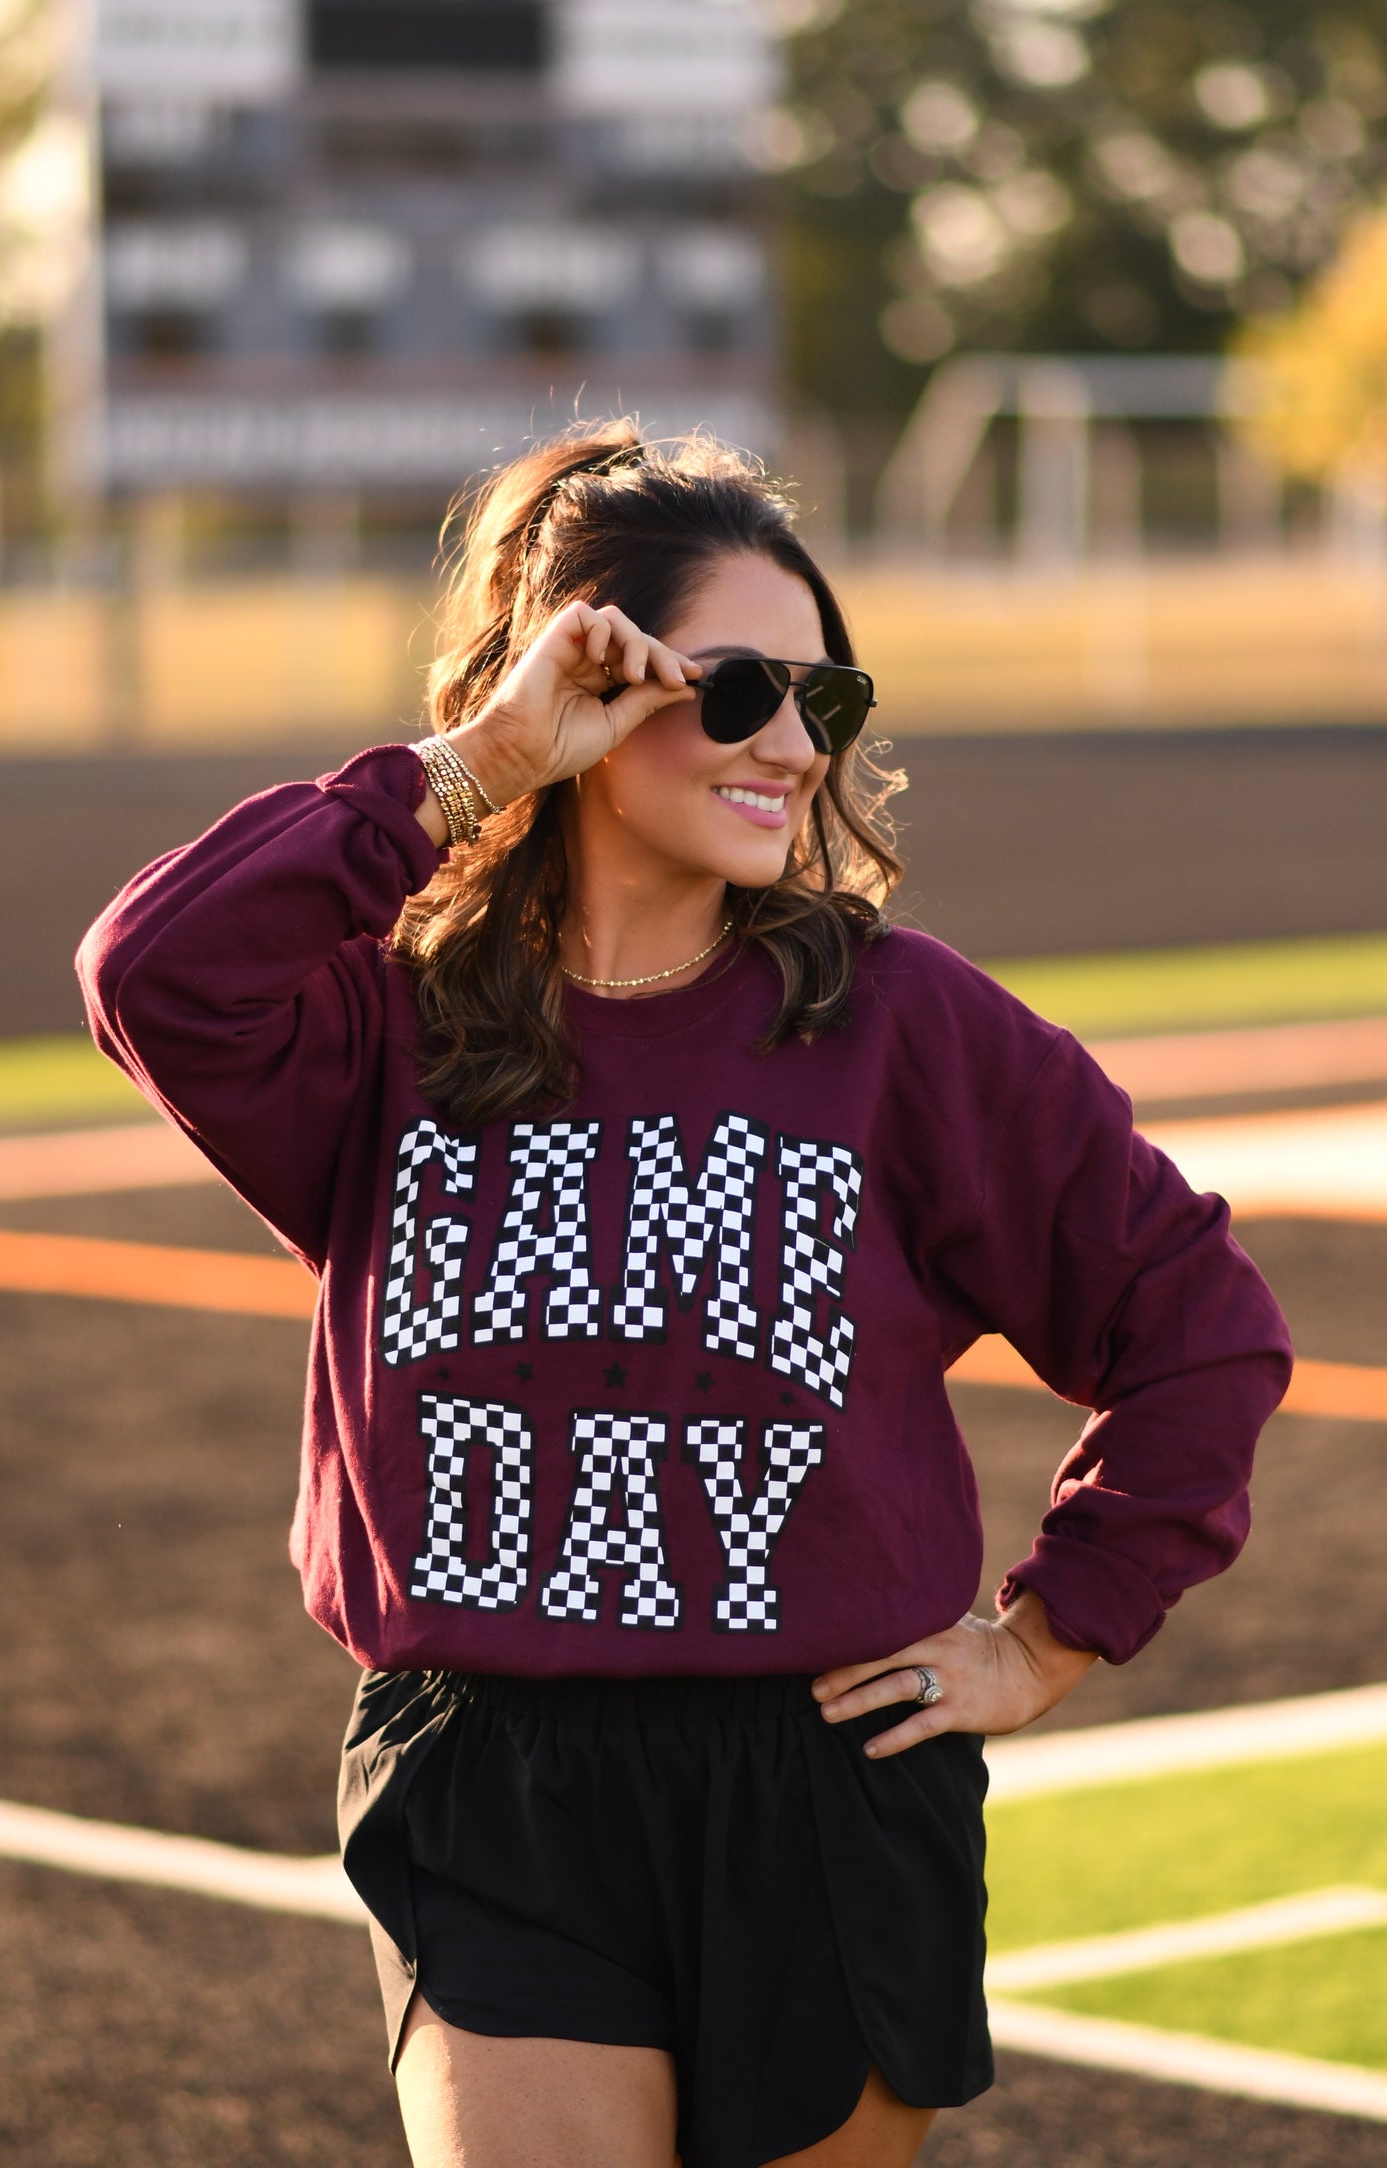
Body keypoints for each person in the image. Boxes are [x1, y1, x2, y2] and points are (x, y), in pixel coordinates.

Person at [77, 424, 1292, 2168]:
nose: (792, 746)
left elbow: (1197, 1324)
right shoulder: (377, 1034)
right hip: (490, 1780)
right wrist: (478, 759)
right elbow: (151, 969)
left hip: (823, 1781)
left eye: (826, 699)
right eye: (735, 691)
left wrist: (1045, 1637)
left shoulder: (902, 1025)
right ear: (587, 683)